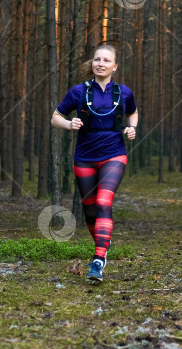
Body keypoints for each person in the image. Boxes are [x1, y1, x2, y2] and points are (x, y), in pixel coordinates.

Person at [51, 45, 138, 282]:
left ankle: (98, 259)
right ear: (92, 64)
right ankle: (102, 243)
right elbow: (55, 117)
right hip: (84, 157)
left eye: (106, 60)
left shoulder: (124, 92)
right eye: (97, 59)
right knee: (90, 211)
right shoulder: (78, 92)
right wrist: (69, 124)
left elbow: (133, 113)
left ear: (114, 66)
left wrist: (132, 128)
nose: (100, 63)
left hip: (114, 154)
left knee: (103, 201)